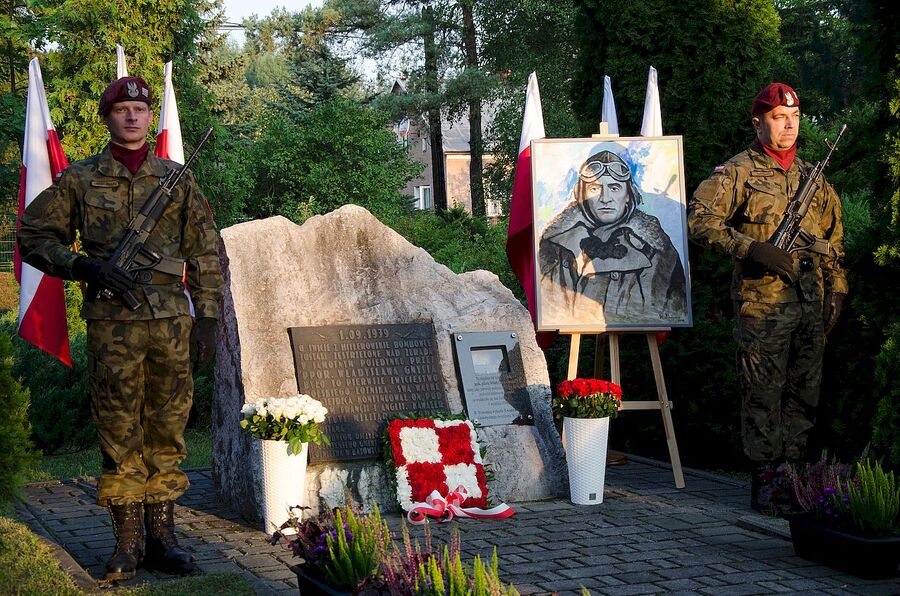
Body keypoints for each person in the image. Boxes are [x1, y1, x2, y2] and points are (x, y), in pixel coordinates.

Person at [17, 76, 223, 580]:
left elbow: (204, 251)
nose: (132, 116)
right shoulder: (81, 178)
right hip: (113, 325)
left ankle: (164, 539)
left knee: (168, 426)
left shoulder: (177, 179)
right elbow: (33, 236)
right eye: (121, 109)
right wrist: (84, 266)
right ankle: (128, 543)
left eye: (140, 109)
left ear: (150, 117)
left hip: (171, 323)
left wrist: (209, 318)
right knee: (117, 426)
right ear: (107, 117)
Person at [688, 82, 847, 513]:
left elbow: (833, 239)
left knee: (805, 392)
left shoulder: (813, 176)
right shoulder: (737, 172)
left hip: (810, 303)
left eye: (794, 117)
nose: (789, 125)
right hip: (762, 307)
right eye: (779, 117)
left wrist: (836, 289)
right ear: (758, 123)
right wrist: (753, 249)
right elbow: (699, 221)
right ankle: (769, 482)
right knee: (763, 393)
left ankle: (796, 478)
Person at [539, 150, 687, 327]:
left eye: (614, 188)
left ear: (628, 195)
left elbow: (673, 309)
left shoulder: (658, 253)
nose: (605, 199)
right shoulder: (554, 248)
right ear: (581, 195)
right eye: (594, 189)